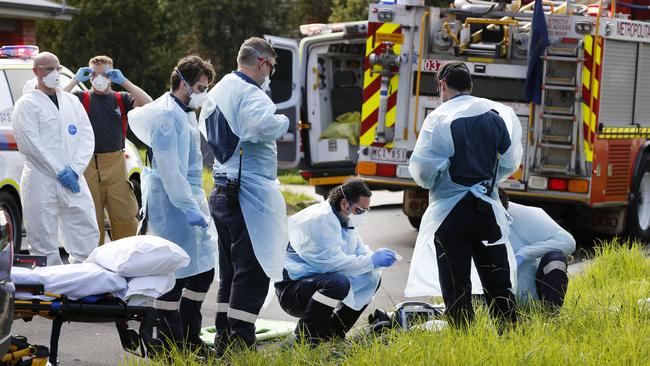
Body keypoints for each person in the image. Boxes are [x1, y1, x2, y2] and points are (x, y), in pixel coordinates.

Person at [404, 61, 523, 329]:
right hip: (486, 210)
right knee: (497, 278)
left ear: (443, 85)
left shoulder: (439, 118)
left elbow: (423, 170)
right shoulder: (495, 114)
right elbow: (509, 161)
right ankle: (509, 333)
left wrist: (443, 173)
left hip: (451, 213)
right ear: (471, 85)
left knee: (456, 282)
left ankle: (463, 337)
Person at [199, 37, 289, 354]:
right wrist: (283, 121)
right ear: (262, 62)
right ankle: (240, 340)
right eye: (271, 66)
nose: (270, 73)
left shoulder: (221, 87)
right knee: (252, 271)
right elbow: (259, 126)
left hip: (224, 188)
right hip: (247, 192)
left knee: (231, 271)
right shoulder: (251, 93)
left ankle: (225, 335)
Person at [127, 55, 217, 352]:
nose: (203, 92)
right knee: (174, 274)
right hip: (172, 203)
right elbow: (169, 171)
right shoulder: (167, 116)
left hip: (189, 197)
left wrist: (194, 203)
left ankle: (189, 335)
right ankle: (166, 342)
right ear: (183, 83)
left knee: (203, 270)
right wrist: (189, 207)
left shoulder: (186, 110)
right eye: (201, 86)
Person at [274, 179, 397, 344]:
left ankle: (334, 333)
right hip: (291, 291)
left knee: (372, 277)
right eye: (360, 210)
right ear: (345, 203)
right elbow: (332, 263)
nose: (363, 215)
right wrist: (371, 261)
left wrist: (375, 258)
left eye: (366, 210)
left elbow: (359, 250)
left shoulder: (344, 218)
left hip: (316, 281)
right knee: (338, 282)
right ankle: (304, 338)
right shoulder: (321, 221)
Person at [12, 52, 98, 266]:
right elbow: (30, 143)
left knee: (84, 226)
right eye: (48, 69)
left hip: (73, 177)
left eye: (57, 68)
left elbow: (87, 136)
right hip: (41, 179)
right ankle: (49, 291)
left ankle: (84, 282)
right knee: (42, 235)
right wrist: (58, 170)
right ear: (36, 71)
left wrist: (75, 170)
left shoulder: (71, 101)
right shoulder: (27, 104)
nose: (54, 73)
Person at [63, 56, 152, 245]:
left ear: (112, 76)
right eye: (94, 74)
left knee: (125, 217)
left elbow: (148, 103)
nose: (99, 78)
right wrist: (75, 80)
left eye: (104, 74)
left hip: (115, 165)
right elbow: (53, 104)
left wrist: (125, 82)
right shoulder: (81, 98)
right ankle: (96, 264)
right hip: (88, 165)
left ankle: (124, 259)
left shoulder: (121, 99)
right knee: (91, 221)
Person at [498, 189, 575, 309]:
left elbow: (568, 242)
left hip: (532, 300)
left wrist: (524, 254)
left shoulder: (523, 214)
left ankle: (551, 316)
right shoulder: (470, 220)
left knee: (555, 260)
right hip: (496, 302)